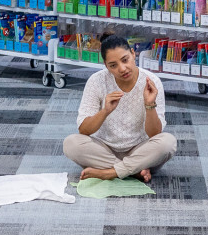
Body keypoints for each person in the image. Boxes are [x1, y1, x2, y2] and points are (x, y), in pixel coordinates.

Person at [63, 35, 177, 182]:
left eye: (125, 60)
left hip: (140, 150)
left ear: (133, 53)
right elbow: (84, 130)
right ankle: (133, 171)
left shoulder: (152, 82)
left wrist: (149, 105)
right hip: (105, 150)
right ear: (106, 65)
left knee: (167, 143)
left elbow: (155, 133)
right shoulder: (96, 81)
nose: (122, 69)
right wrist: (105, 111)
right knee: (71, 144)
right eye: (113, 65)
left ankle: (109, 173)